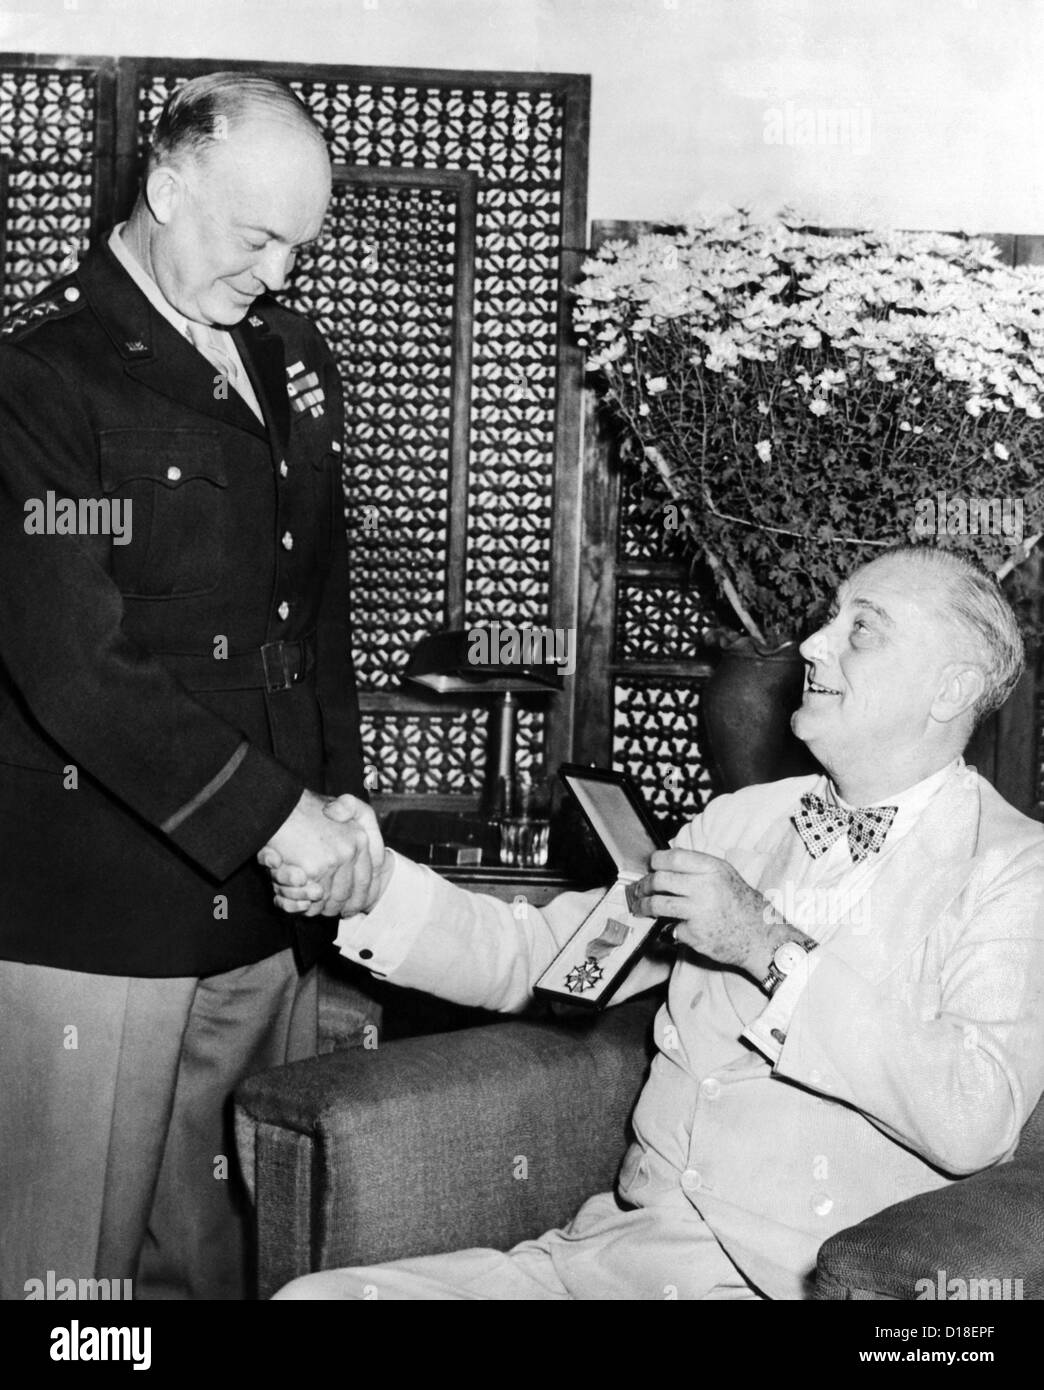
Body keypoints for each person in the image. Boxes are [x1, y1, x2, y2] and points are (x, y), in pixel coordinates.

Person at [269, 545, 1044, 1300]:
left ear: (952, 690)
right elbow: (545, 956)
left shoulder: (1015, 868)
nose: (811, 643)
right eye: (828, 617)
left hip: (791, 1282)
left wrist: (769, 946)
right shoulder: (738, 822)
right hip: (614, 1257)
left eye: (860, 629)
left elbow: (975, 1115)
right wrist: (368, 889)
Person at [0, 72, 377, 1301]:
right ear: (167, 190)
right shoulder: (45, 379)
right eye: (256, 235)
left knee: (211, 1254)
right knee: (77, 1274)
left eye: (301, 246)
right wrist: (282, 813)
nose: (280, 272)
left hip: (266, 890)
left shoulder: (290, 350)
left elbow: (312, 606)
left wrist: (340, 802)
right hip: (100, 906)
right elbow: (75, 669)